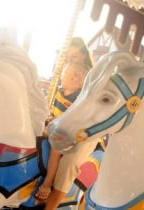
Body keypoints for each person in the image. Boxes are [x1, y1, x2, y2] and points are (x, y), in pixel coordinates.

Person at [35, 62, 90, 201]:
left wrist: (55, 119)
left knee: (55, 148)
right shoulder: (57, 91)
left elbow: (71, 121)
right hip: (50, 126)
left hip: (65, 134)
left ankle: (48, 183)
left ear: (75, 80)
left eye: (65, 74)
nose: (61, 77)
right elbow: (45, 87)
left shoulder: (78, 99)